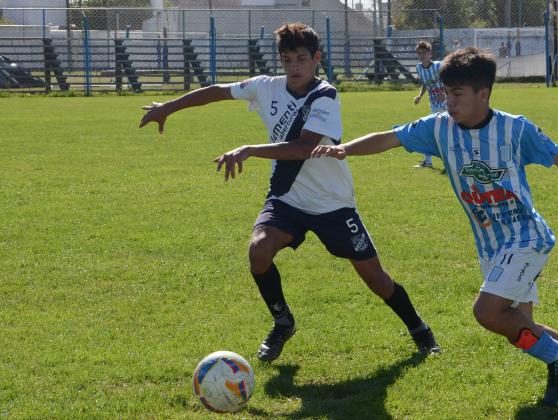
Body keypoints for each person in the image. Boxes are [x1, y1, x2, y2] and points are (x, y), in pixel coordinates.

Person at [312, 46, 558, 406]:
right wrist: (344, 149)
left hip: (526, 237)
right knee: (518, 326)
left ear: (482, 94)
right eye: (445, 94)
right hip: (491, 245)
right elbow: (389, 138)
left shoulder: (514, 129)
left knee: (486, 313)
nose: (449, 102)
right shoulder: (439, 128)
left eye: (457, 94)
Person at [138, 23, 439, 361]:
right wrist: (168, 107)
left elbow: (304, 147)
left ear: (316, 59)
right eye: (287, 60)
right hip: (287, 198)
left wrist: (250, 149)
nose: (294, 67)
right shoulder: (266, 87)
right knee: (258, 250)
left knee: (376, 280)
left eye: (301, 59)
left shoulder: (325, 96)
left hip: (332, 203)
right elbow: (219, 90)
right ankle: (283, 322)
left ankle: (420, 330)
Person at [412, 40, 446, 168]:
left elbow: (450, 80)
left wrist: (445, 93)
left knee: (439, 131)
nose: (422, 55)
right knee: (430, 131)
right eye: (419, 53)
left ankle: (449, 160)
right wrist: (420, 96)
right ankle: (428, 161)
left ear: (429, 53)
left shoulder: (438, 66)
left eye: (424, 53)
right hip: (433, 104)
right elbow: (425, 84)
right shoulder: (419, 67)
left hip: (446, 103)